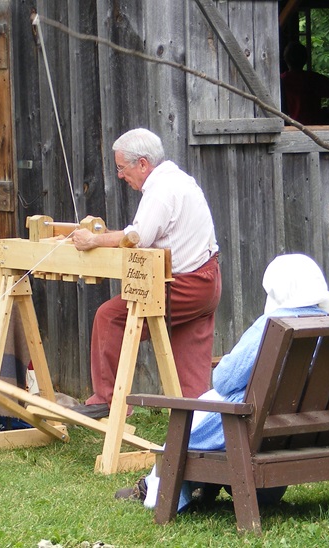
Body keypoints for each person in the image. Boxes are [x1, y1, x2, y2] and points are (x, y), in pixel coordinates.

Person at [115, 254, 329, 511]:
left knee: (194, 422)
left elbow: (224, 380)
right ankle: (206, 485)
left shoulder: (272, 327)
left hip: (250, 425)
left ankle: (161, 489)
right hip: (304, 425)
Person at [70, 128, 221, 419]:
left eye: (121, 168)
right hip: (206, 282)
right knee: (191, 361)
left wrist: (94, 240)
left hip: (184, 284)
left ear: (142, 164)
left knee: (109, 318)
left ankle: (109, 400)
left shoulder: (161, 191)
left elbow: (138, 236)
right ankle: (198, 420)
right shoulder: (178, 180)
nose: (120, 175)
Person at [280, 42, 329, 125]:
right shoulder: (314, 79)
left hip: (287, 128)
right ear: (305, 59)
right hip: (313, 128)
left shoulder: (280, 81)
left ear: (285, 59)